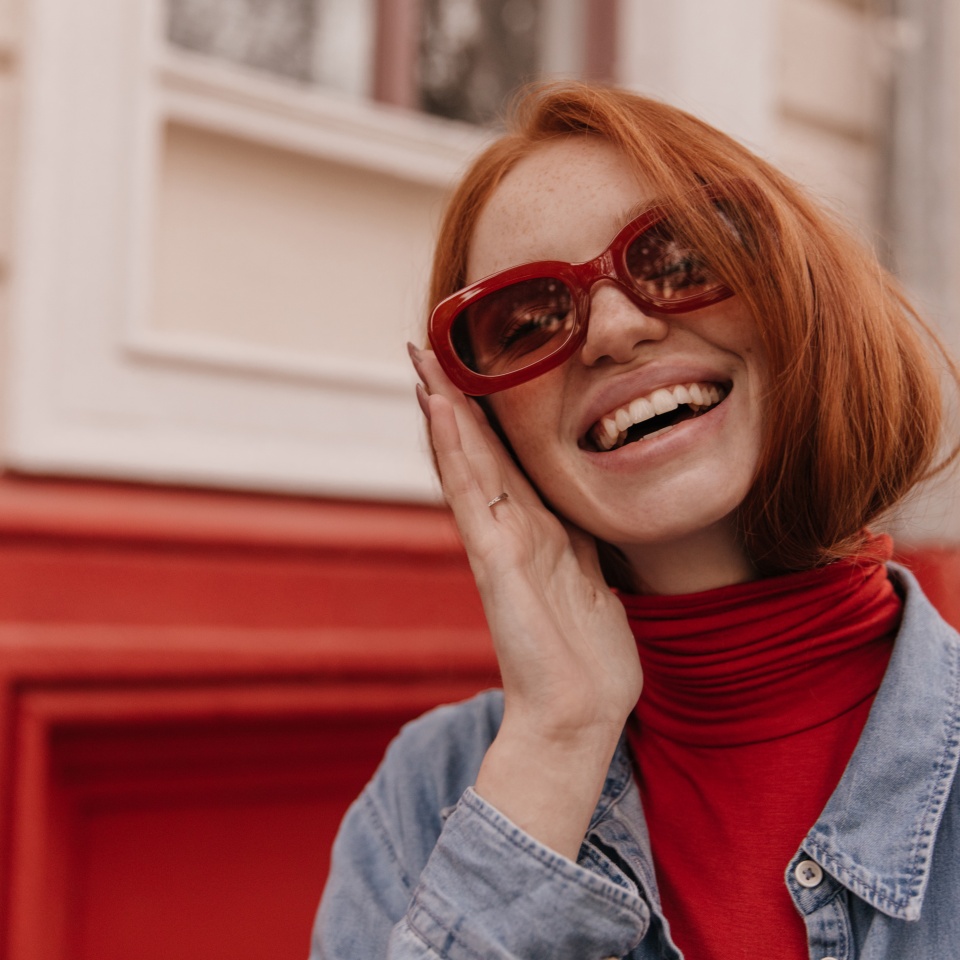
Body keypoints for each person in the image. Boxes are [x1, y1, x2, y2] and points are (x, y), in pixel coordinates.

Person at [310, 82, 960, 959]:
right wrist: (557, 741)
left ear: (800, 292)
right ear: (491, 429)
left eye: (680, 257)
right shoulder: (426, 799)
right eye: (527, 320)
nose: (613, 330)